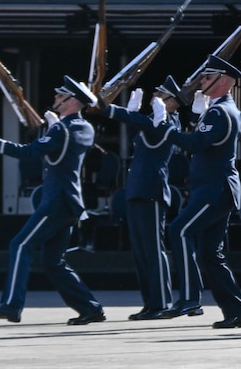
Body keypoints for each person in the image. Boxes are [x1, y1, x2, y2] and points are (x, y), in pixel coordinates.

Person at [0, 77, 104, 325]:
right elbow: (56, 156)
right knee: (53, 262)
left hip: (57, 202)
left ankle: (11, 305)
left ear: (71, 101)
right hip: (64, 202)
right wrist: (55, 129)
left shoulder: (67, 129)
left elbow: (28, 152)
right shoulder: (78, 128)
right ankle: (90, 308)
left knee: (20, 245)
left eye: (59, 95)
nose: (54, 98)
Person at [163, 55, 241, 328]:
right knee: (209, 254)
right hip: (215, 189)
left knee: (178, 230)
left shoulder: (219, 112)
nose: (201, 81)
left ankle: (190, 298)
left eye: (206, 76)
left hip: (214, 190)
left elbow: (198, 143)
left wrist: (166, 125)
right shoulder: (217, 110)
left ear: (222, 81)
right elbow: (204, 139)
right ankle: (238, 311)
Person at [101, 76, 187, 320]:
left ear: (171, 101)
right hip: (137, 189)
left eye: (160, 94)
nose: (154, 97)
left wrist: (119, 111)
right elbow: (141, 128)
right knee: (140, 250)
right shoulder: (154, 120)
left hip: (152, 189)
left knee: (153, 248)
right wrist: (131, 114)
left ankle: (161, 302)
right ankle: (150, 302)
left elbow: (151, 132)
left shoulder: (168, 121)